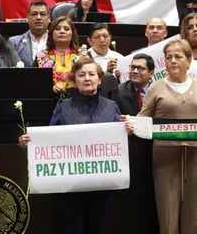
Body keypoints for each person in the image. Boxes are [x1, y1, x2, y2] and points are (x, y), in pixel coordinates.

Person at [19, 57, 133, 234]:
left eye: (91, 74)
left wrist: (128, 131)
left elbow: (120, 143)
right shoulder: (64, 107)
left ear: (100, 79)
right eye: (81, 75)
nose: (87, 78)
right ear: (74, 80)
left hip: (102, 186)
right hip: (69, 188)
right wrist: (29, 142)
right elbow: (49, 140)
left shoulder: (112, 107)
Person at [135, 39, 197, 234]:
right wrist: (130, 123)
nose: (173, 61)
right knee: (167, 215)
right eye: (168, 57)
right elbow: (143, 118)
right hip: (164, 158)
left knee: (193, 214)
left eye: (178, 57)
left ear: (189, 61)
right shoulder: (156, 87)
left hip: (195, 158)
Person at [112, 53, 159, 233]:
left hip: (155, 151)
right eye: (132, 67)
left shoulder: (158, 91)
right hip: (129, 153)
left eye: (140, 68)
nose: (135, 71)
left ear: (151, 72)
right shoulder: (117, 91)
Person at [33, 16, 79, 100]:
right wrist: (50, 88)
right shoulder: (41, 57)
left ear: (72, 33)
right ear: (51, 33)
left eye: (66, 29)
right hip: (50, 101)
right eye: (57, 29)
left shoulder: (83, 56)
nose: (62, 31)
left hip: (78, 101)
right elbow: (34, 83)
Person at [8, 0, 50, 67]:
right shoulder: (14, 42)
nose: (38, 17)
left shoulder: (57, 40)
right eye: (34, 14)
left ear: (49, 18)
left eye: (42, 14)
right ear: (27, 18)